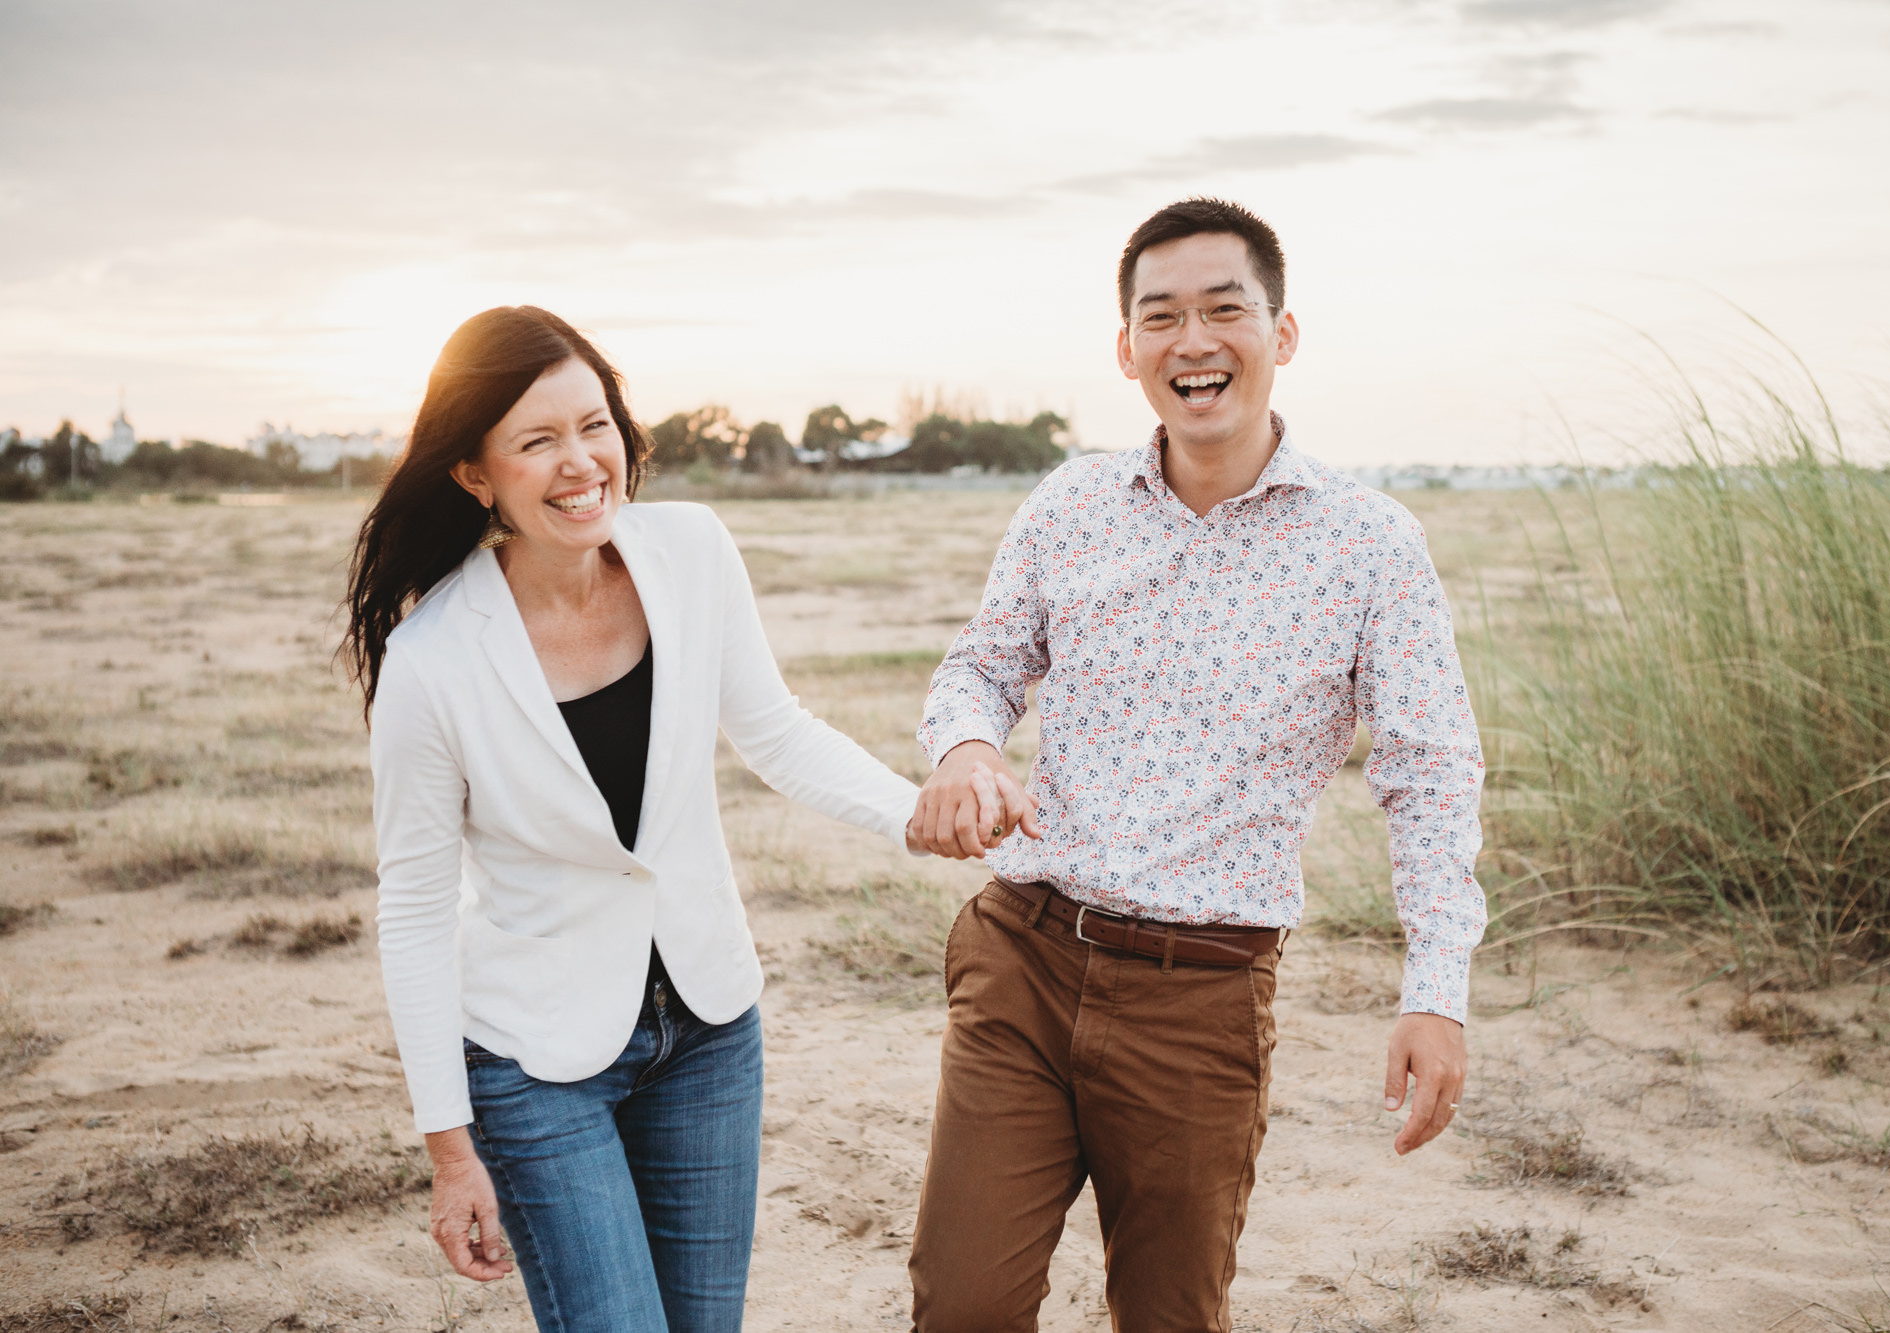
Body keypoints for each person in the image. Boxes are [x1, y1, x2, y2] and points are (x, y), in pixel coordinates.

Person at [904, 198, 1488, 1332]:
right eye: (1159, 316)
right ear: (1126, 349)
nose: (1193, 341)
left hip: (1200, 996)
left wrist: (1435, 992)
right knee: (961, 1305)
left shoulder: (1368, 544)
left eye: (1224, 310)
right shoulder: (1070, 504)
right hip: (1024, 955)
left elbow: (1426, 773)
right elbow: (977, 668)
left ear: (1281, 333)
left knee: (1170, 1316)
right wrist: (967, 751)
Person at [343, 306, 923, 1333]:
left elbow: (776, 732)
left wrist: (915, 817)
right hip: (535, 1064)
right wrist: (448, 1149)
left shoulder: (689, 548)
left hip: (707, 1030)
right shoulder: (432, 660)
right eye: (535, 441)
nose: (579, 463)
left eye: (593, 423)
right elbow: (418, 909)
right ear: (476, 476)